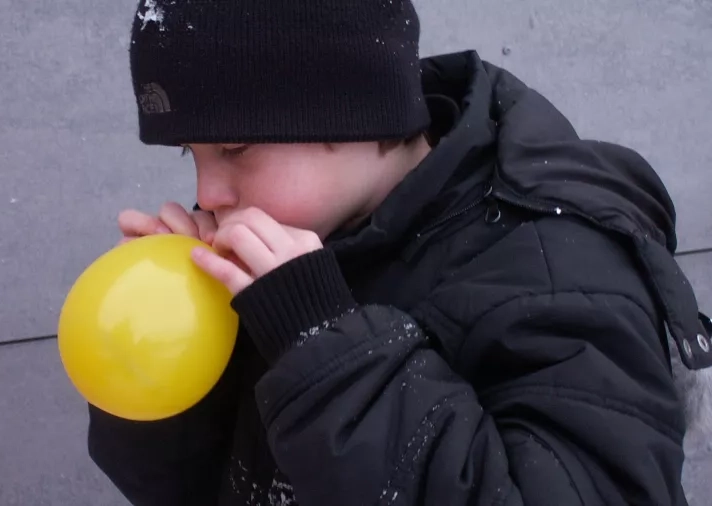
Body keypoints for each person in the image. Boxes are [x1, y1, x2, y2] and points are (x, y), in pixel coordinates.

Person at [86, 1, 712, 505]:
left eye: (237, 146)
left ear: (362, 113)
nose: (205, 194)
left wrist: (326, 351)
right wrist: (171, 358)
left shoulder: (558, 268)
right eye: (188, 154)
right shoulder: (285, 251)